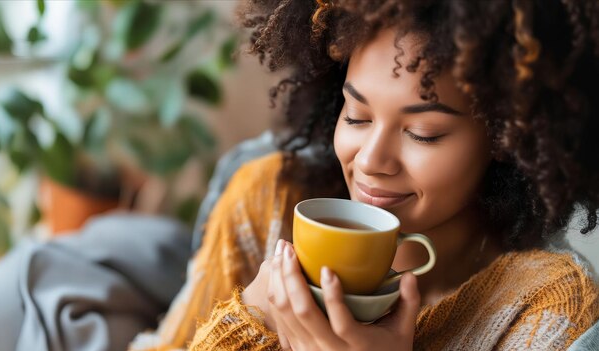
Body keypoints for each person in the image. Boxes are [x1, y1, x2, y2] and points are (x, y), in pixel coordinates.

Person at [130, 0, 599, 350]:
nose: (372, 160)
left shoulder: (547, 307)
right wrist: (252, 317)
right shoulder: (269, 201)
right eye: (356, 116)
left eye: (424, 132)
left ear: (506, 135)